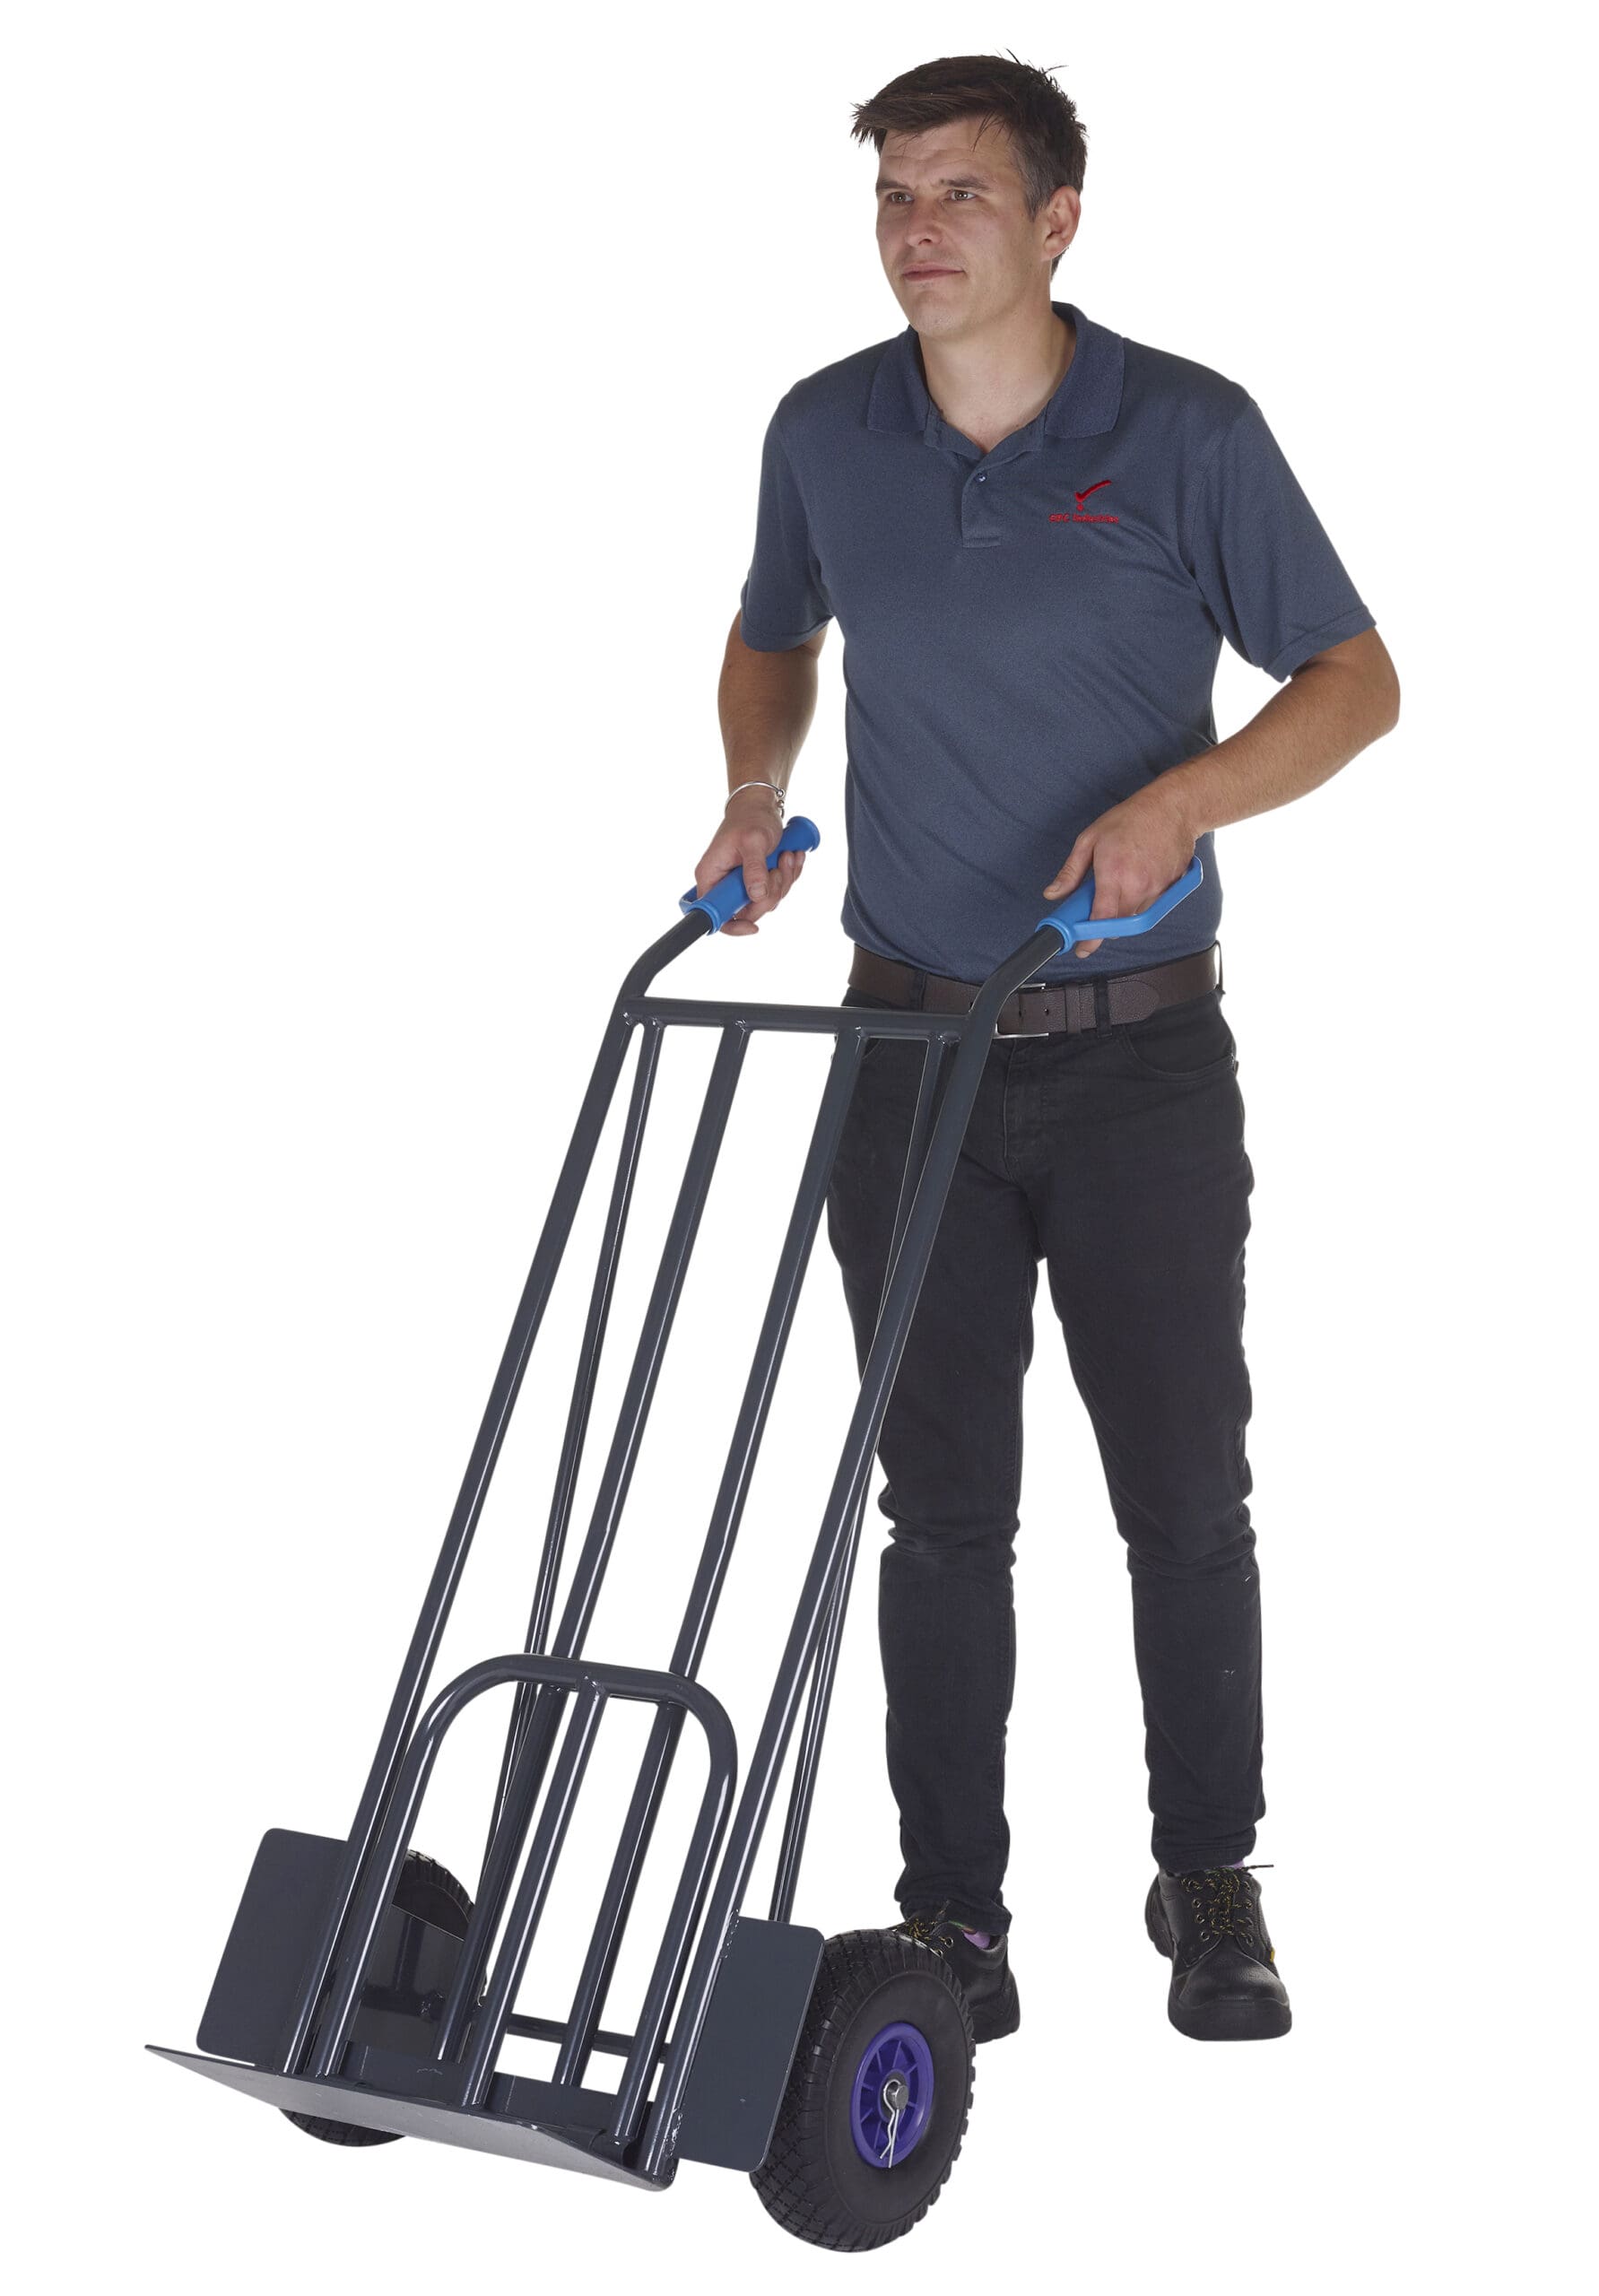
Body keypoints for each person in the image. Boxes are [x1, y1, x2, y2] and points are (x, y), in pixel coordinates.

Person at [691, 53, 1399, 2044]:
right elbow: (772, 632)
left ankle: (1209, 1877)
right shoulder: (825, 430)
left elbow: (1356, 679)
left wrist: (1187, 798)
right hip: (906, 1047)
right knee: (938, 1507)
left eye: (963, 194)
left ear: (1059, 220)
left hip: (1136, 1062)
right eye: (896, 195)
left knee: (1182, 1493)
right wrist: (753, 786)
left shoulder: (1186, 432)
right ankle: (951, 1916)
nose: (919, 231)